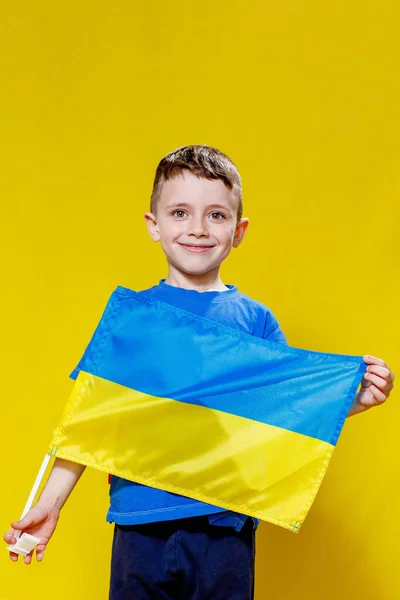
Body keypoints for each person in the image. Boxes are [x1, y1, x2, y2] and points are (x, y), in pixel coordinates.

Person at [4, 145, 395, 599]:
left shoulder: (255, 322)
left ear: (238, 230)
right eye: (179, 212)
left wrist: (352, 401)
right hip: (139, 524)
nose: (196, 229)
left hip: (223, 525)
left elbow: (284, 413)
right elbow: (90, 425)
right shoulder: (135, 319)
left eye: (215, 215)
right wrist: (50, 505)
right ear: (154, 225)